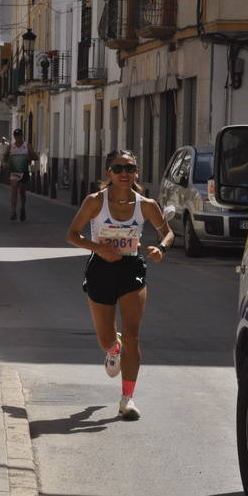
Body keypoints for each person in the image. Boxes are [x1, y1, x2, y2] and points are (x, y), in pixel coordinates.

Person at [65, 150, 175, 420]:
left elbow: (168, 232)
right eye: (118, 168)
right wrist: (98, 249)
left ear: (136, 172)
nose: (124, 173)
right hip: (100, 269)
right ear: (108, 173)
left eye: (130, 168)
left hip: (131, 269)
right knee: (106, 339)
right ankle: (114, 349)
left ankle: (127, 398)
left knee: (133, 335)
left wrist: (161, 248)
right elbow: (71, 235)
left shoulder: (146, 205)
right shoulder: (94, 202)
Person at [2, 128, 37, 221]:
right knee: (14, 191)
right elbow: (5, 157)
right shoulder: (11, 147)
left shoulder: (27, 146)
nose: (18, 138)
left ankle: (22, 208)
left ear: (22, 136)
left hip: (24, 172)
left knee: (22, 192)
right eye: (16, 136)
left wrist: (30, 157)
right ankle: (13, 212)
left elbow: (35, 156)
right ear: (14, 137)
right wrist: (5, 163)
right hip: (14, 171)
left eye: (19, 136)